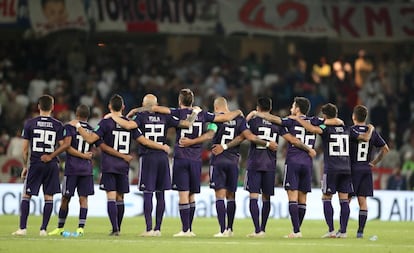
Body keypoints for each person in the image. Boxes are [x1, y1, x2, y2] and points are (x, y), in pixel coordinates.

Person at [129, 89, 243, 237]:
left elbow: (154, 108)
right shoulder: (202, 114)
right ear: (193, 101)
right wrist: (239, 112)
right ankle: (190, 229)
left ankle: (185, 230)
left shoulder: (176, 113)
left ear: (179, 101)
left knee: (182, 194)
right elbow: (223, 119)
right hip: (196, 159)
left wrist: (135, 110)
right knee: (191, 195)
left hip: (181, 157)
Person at [219, 97, 316, 238]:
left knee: (253, 196)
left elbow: (243, 136)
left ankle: (257, 230)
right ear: (270, 109)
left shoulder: (252, 121)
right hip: (270, 164)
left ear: (258, 108)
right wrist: (308, 149)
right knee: (266, 198)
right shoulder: (277, 124)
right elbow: (292, 139)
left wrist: (226, 146)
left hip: (254, 163)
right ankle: (263, 229)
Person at [74, 94, 170, 236]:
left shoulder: (105, 122)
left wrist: (77, 126)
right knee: (120, 198)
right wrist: (161, 146)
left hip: (109, 164)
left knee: (111, 197)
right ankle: (125, 227)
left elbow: (89, 139)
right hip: (123, 166)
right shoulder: (129, 123)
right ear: (123, 107)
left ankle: (115, 229)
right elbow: (143, 140)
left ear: (109, 107)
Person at [249, 97, 341, 238]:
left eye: (293, 105)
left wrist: (256, 113)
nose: (291, 108)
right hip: (307, 164)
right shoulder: (315, 121)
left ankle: (296, 231)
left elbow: (275, 119)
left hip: (293, 161)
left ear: (297, 108)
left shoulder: (291, 120)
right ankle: (296, 229)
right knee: (302, 199)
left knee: (292, 198)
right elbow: (335, 121)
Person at [106, 94, 196, 237]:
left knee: (148, 193)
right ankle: (158, 229)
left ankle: (149, 229)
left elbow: (128, 125)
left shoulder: (141, 117)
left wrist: (114, 115)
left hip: (148, 157)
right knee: (161, 194)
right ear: (156, 104)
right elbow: (187, 124)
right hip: (162, 158)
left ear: (143, 104)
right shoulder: (165, 117)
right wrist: (195, 113)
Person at [292, 103, 373, 238]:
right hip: (346, 168)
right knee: (344, 199)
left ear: (324, 115)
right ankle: (344, 231)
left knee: (326, 197)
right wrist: (370, 128)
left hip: (332, 168)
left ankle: (331, 230)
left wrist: (297, 119)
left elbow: (313, 129)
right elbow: (365, 138)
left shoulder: (325, 127)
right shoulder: (346, 128)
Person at [48, 104, 130, 236]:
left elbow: (67, 146)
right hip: (86, 169)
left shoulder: (70, 126)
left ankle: (60, 227)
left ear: (76, 113)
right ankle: (81, 228)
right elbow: (99, 145)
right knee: (83, 199)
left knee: (65, 198)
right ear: (88, 116)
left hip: (72, 169)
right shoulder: (92, 130)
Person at [206, 97, 278, 237]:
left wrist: (220, 145)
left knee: (220, 196)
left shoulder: (215, 121)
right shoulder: (240, 120)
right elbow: (246, 136)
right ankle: (230, 229)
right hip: (233, 162)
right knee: (231, 196)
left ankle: (222, 230)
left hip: (218, 160)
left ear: (216, 108)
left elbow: (210, 134)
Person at [12, 94, 71, 236]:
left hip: (36, 163)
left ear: (38, 106)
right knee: (49, 197)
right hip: (51, 165)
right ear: (52, 107)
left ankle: (23, 228)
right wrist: (51, 156)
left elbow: (25, 149)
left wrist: (25, 166)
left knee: (26, 195)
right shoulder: (58, 125)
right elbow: (64, 146)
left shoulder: (30, 123)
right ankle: (43, 229)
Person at [349, 105, 389, 238]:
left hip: (353, 168)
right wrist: (374, 163)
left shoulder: (350, 130)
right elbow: (385, 149)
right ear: (365, 117)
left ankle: (342, 230)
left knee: (346, 200)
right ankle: (360, 232)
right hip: (366, 169)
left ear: (353, 116)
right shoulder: (371, 131)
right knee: (363, 201)